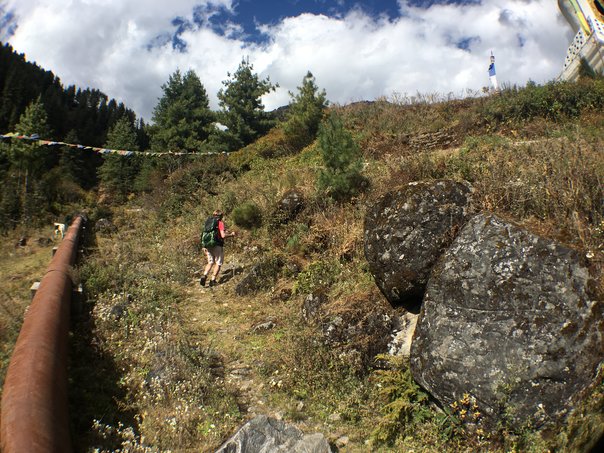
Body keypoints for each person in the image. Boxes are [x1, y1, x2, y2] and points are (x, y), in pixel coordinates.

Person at [200, 210, 236, 287]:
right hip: (217, 245)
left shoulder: (208, 223)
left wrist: (204, 246)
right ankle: (212, 280)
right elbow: (223, 236)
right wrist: (231, 235)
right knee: (218, 263)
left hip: (208, 245)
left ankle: (204, 275)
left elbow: (204, 234)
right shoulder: (220, 223)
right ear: (221, 216)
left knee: (210, 262)